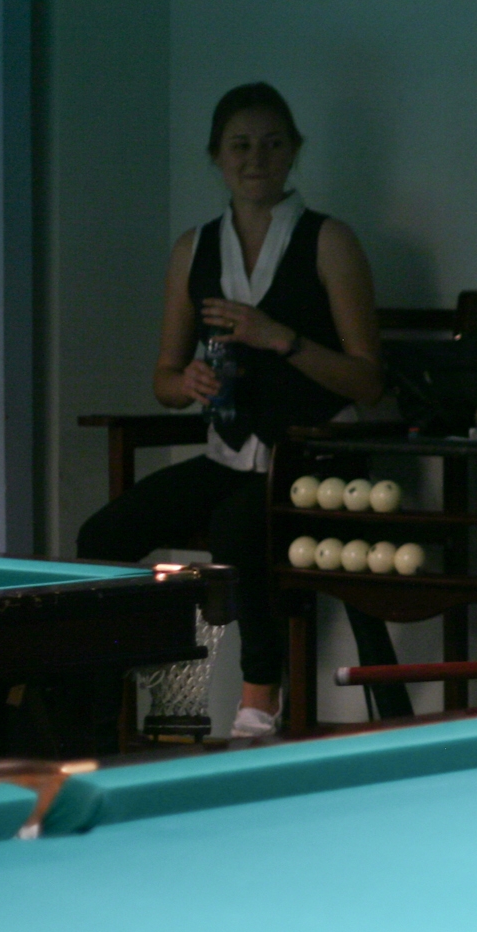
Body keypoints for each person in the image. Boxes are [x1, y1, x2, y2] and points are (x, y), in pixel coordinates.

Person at [78, 83, 385, 737]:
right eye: (240, 145)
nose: (256, 158)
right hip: (230, 453)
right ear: (217, 156)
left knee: (237, 524)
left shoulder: (328, 240)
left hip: (312, 454)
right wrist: (186, 381)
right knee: (101, 535)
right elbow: (163, 379)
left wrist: (282, 338)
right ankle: (101, 710)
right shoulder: (194, 248)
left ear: (294, 151)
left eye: (272, 143)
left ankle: (259, 695)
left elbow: (368, 381)